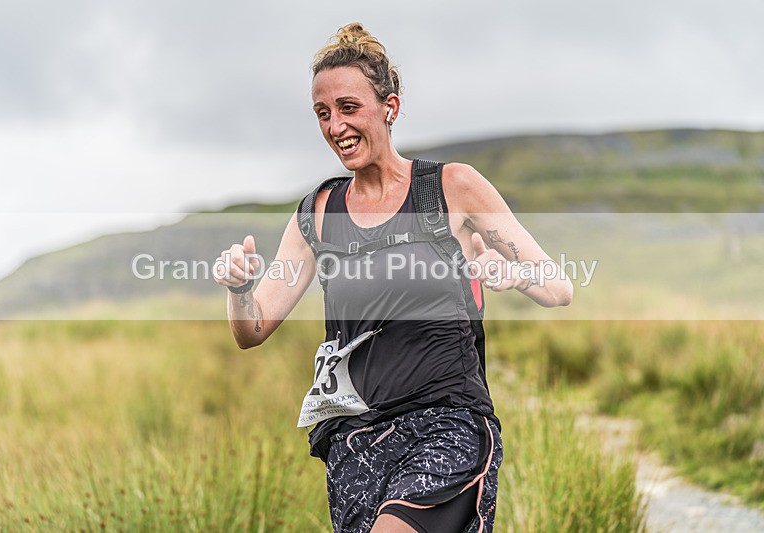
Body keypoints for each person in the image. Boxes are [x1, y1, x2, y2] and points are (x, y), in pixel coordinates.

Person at [214, 23, 573, 533]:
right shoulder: (317, 214)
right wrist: (238, 288)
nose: (335, 125)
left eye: (349, 107)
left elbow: (558, 287)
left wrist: (510, 272)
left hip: (447, 424)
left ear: (390, 107)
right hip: (356, 444)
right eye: (323, 113)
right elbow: (251, 330)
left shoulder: (452, 187)